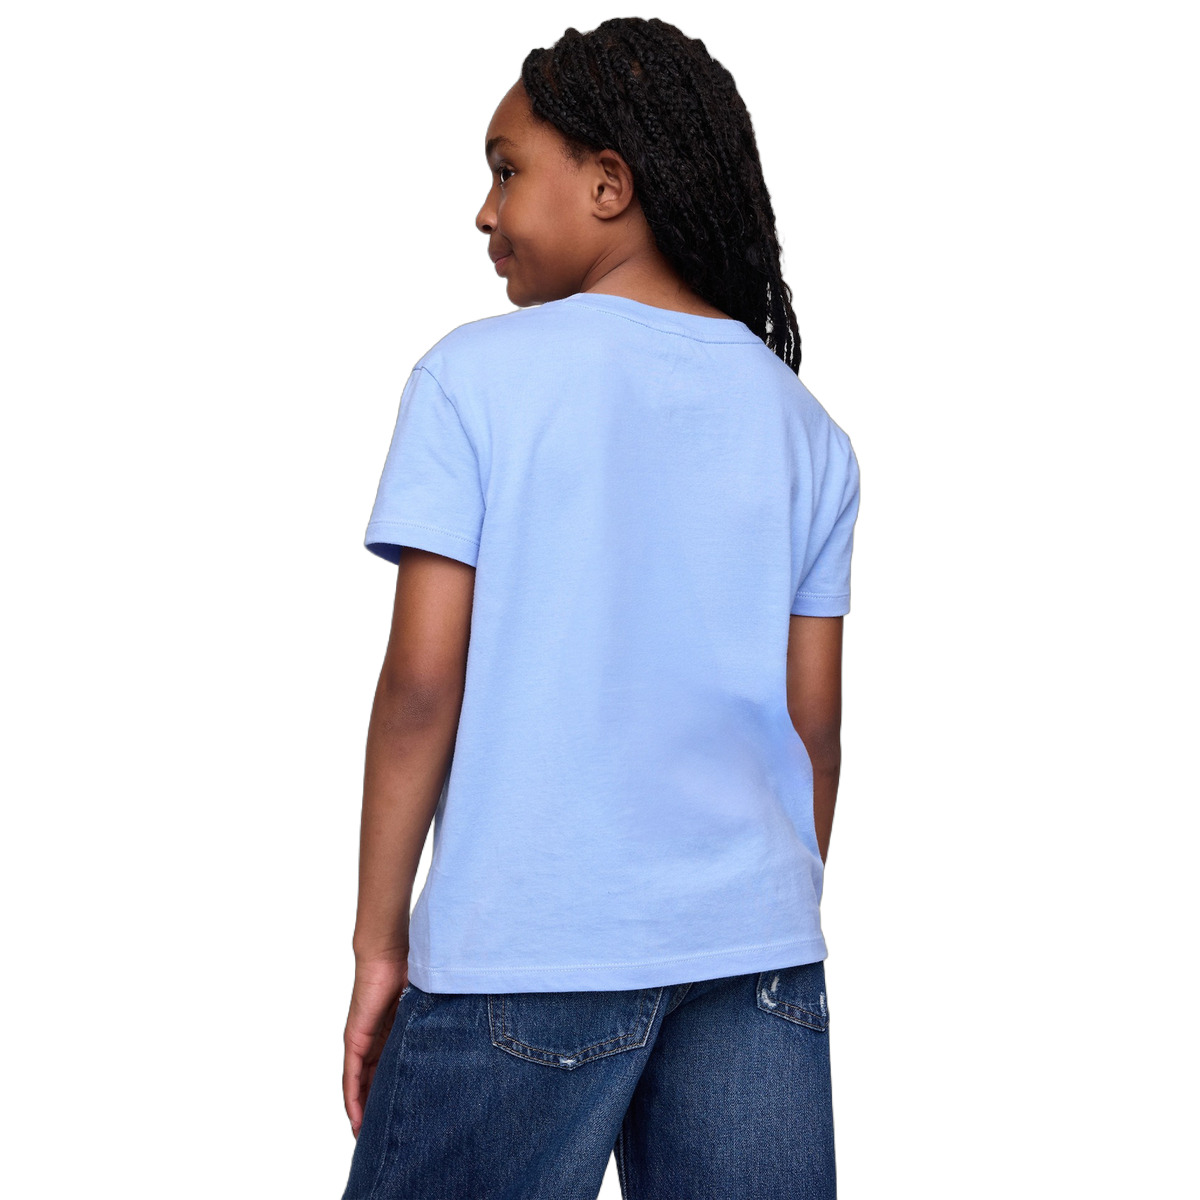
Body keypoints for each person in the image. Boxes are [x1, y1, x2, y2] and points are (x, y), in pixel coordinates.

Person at [339, 17, 861, 1200]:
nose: (484, 212)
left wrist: (379, 943)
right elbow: (815, 726)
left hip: (529, 946)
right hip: (758, 956)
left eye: (506, 170)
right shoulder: (806, 429)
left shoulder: (474, 379)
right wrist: (753, 906)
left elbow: (421, 686)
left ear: (609, 185)